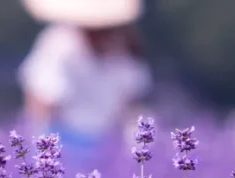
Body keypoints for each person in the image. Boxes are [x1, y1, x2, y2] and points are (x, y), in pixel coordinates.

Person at [19, 0, 152, 166]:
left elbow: (132, 99)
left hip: (108, 139)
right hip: (65, 137)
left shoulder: (124, 48)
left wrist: (133, 140)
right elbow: (42, 96)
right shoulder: (60, 44)